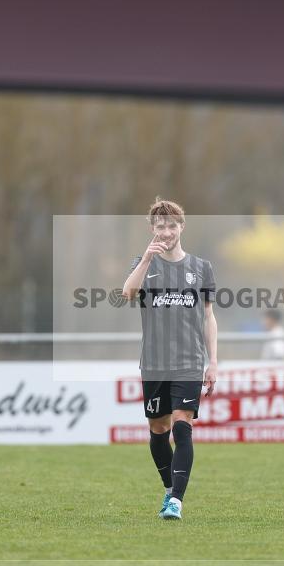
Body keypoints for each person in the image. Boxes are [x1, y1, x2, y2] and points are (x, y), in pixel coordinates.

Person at [121, 198, 218, 520]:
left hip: (189, 360)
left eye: (172, 225)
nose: (166, 231)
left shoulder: (201, 267)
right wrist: (147, 260)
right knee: (158, 429)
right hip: (154, 362)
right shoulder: (143, 263)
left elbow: (208, 316)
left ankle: (176, 500)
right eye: (160, 226)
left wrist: (213, 362)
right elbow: (127, 293)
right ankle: (168, 488)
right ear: (152, 229)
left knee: (182, 426)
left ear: (182, 227)